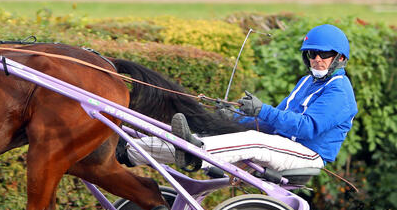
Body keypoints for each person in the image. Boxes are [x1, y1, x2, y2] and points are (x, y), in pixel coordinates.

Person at [125, 24, 358, 173]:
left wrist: (261, 110)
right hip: (285, 145)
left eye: (324, 54)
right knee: (221, 134)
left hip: (308, 154)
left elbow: (306, 128)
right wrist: (236, 117)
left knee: (254, 141)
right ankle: (130, 150)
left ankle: (195, 153)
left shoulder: (339, 92)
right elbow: (271, 122)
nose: (317, 59)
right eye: (311, 54)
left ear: (339, 58)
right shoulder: (307, 82)